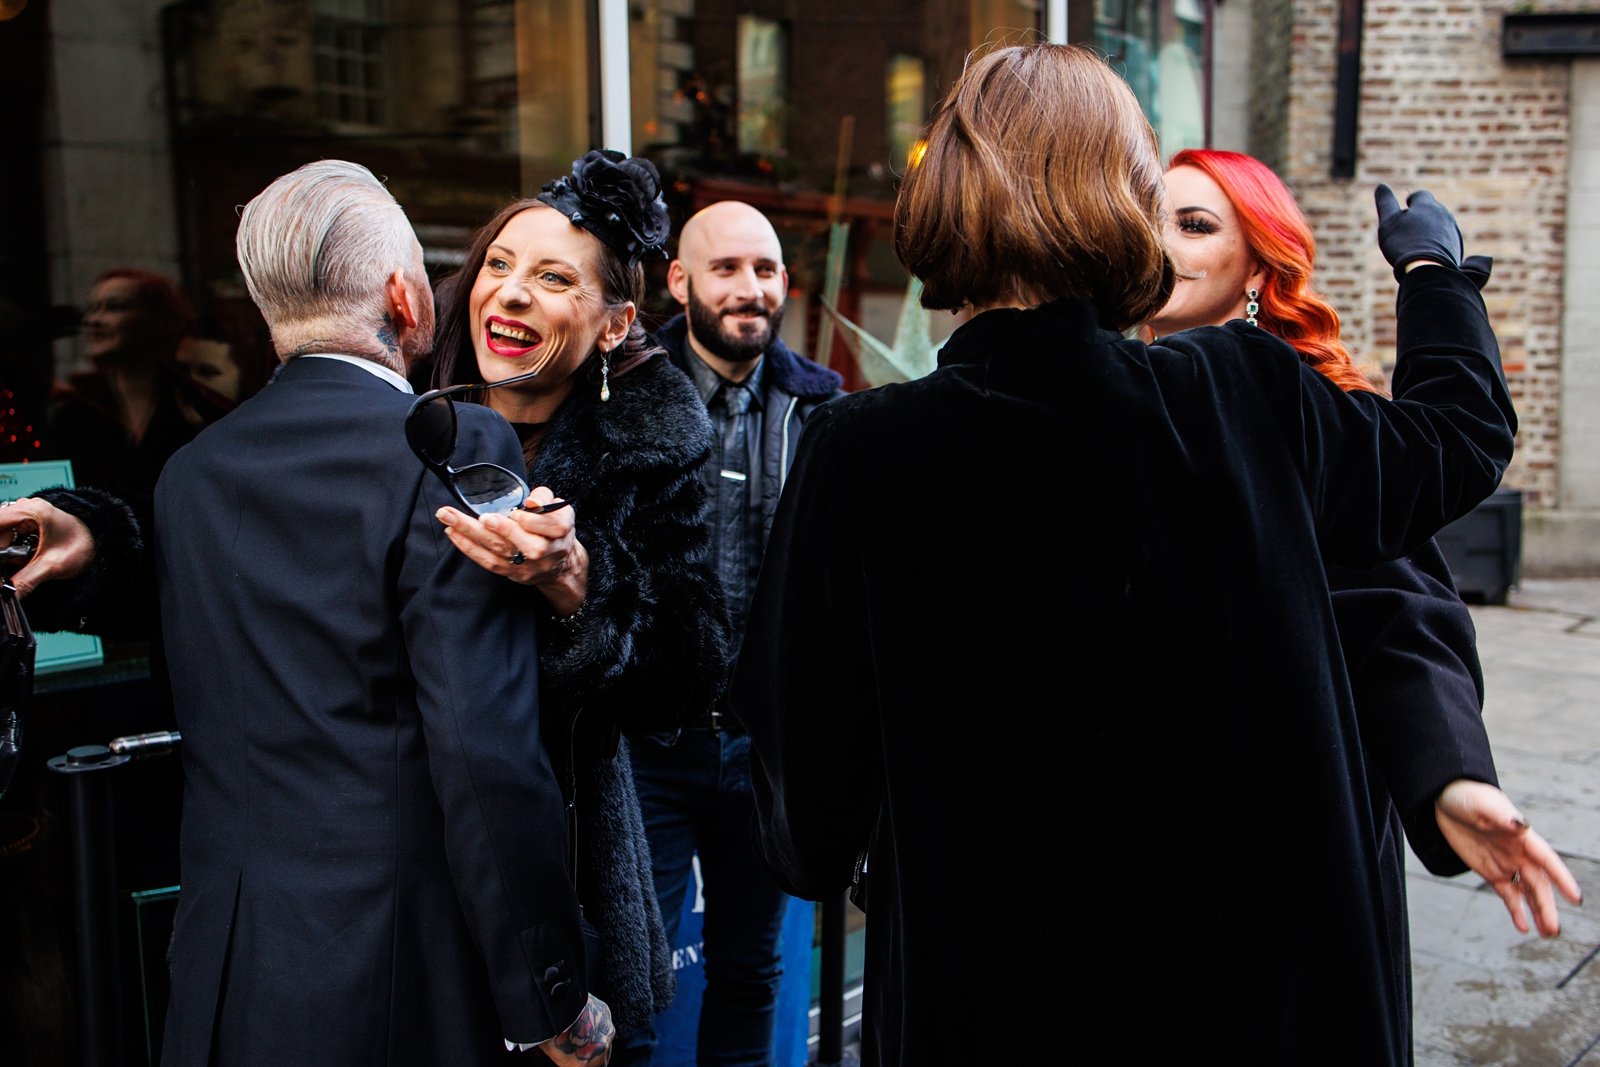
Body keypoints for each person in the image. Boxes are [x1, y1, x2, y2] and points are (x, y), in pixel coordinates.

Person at [726, 44, 1577, 1066]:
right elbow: (1455, 442)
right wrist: (1434, 274)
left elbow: (807, 821)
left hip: (994, 1005)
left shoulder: (861, 453)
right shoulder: (1238, 393)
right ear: (1123, 201)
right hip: (1249, 1003)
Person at [149, 159, 611, 1065]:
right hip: (395, 971)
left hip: (224, 971)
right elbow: (484, 752)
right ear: (404, 301)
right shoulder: (450, 444)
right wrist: (551, 999)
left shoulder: (187, 474)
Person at [1143, 146, 1580, 1034]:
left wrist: (1450, 772)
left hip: (1275, 861)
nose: (1163, 244)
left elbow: (1395, 610)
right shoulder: (1100, 400)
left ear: (1258, 269)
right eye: (1149, 219)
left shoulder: (1294, 409)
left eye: (1195, 225)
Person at [423, 150, 731, 1052]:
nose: (510, 293)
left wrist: (578, 586)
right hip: (403, 850)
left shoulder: (653, 446)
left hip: (563, 859)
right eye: (499, 265)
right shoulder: (405, 416)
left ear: (613, 324)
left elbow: (688, 669)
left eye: (554, 278)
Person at [607, 198, 845, 1067]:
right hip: (650, 745)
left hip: (763, 752)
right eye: (727, 268)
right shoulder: (625, 394)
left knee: (752, 973)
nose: (751, 288)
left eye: (767, 269)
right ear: (679, 280)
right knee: (634, 983)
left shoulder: (821, 409)